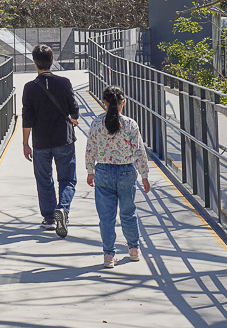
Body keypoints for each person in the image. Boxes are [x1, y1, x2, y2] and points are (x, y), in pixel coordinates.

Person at [86, 85, 151, 268]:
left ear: (104, 103)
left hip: (103, 172)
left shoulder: (97, 124)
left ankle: (108, 255)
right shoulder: (130, 124)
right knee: (128, 212)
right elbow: (139, 151)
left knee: (106, 216)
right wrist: (144, 175)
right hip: (126, 172)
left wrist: (90, 170)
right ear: (124, 103)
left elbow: (91, 149)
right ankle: (134, 250)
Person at [21, 44, 79, 238]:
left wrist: (25, 143)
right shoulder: (64, 83)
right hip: (64, 139)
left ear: (35, 63)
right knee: (68, 179)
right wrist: (74, 118)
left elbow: (27, 117)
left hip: (41, 142)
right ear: (52, 61)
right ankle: (62, 208)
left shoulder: (29, 87)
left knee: (44, 179)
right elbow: (73, 108)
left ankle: (49, 218)